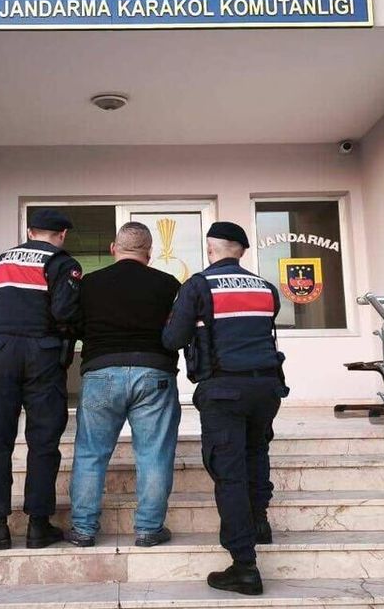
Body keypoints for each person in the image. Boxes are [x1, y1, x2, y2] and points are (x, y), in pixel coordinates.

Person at [162, 221, 287, 596]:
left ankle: (244, 566)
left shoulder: (199, 285)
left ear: (210, 249)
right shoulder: (265, 288)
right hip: (266, 387)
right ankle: (259, 523)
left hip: (224, 390)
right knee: (256, 453)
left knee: (229, 472)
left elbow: (172, 339)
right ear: (242, 251)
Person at [0, 208, 83, 551]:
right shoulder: (62, 263)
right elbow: (64, 311)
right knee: (43, 439)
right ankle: (38, 526)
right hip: (42, 354)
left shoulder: (3, 260)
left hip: (0, 354)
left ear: (30, 231)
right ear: (62, 235)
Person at [63, 222, 182, 549]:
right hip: (154, 372)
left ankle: (83, 530)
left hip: (101, 372)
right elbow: (178, 329)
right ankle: (148, 529)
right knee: (154, 454)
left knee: (90, 453)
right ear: (149, 253)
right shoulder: (168, 284)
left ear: (114, 248)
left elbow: (75, 325)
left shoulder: (89, 284)